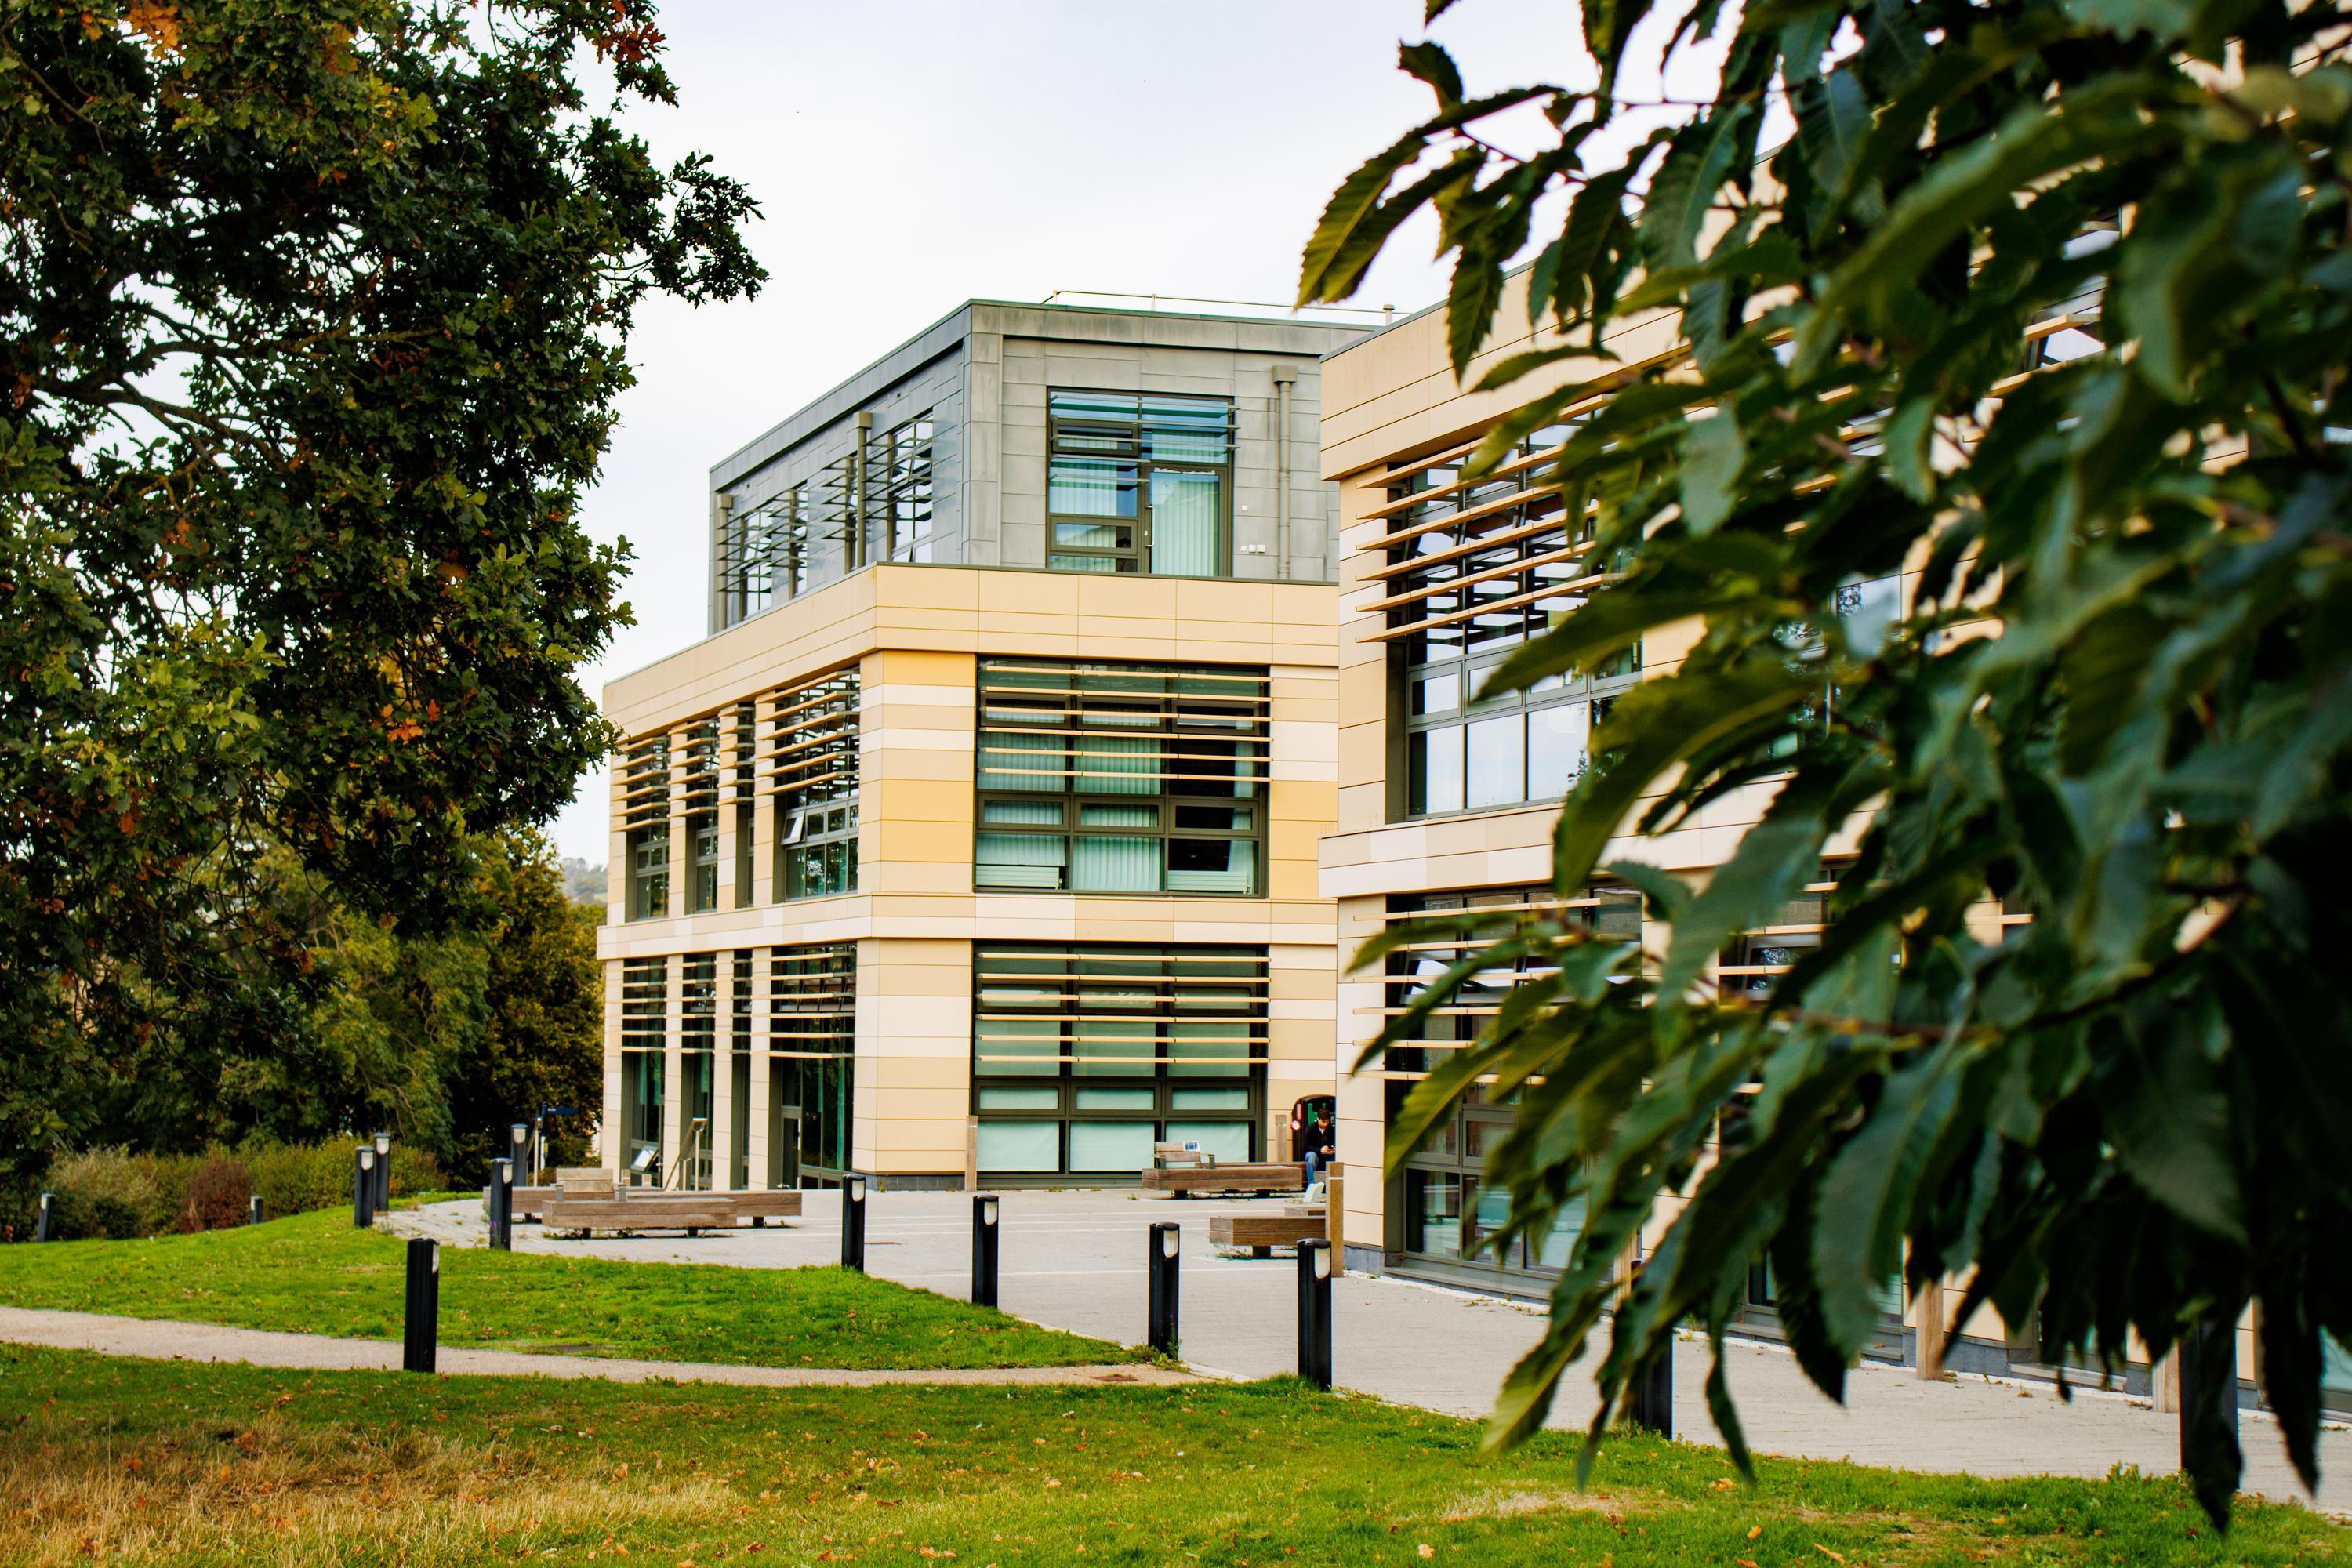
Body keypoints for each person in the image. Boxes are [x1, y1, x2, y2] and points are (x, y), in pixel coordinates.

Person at [1302, 1109, 1335, 1185]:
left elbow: (1334, 1142)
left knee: (1337, 1157)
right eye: (1323, 1122)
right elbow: (1306, 1146)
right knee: (1311, 1157)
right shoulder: (1311, 1128)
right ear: (1318, 1119)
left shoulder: (1331, 1129)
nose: (1325, 1124)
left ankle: (1332, 1183)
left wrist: (1333, 1149)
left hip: (1327, 1155)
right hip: (1315, 1153)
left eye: (1327, 1122)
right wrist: (1320, 1150)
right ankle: (1311, 1183)